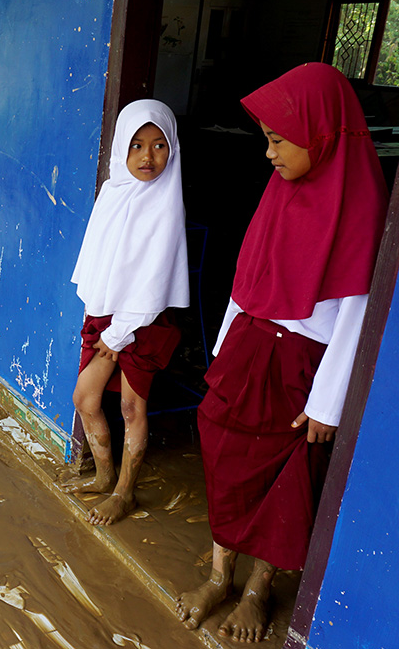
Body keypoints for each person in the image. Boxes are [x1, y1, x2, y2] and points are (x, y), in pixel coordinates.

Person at [175, 63, 388, 642]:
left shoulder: (362, 203)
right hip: (246, 348)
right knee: (222, 449)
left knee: (282, 473)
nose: (268, 153)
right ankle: (220, 574)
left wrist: (328, 403)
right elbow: (249, 280)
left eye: (277, 140)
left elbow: (354, 318)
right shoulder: (279, 189)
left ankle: (256, 589)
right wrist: (221, 353)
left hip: (301, 362)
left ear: (321, 132)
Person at [64, 99, 189, 525]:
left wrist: (117, 336)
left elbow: (153, 283)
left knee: (132, 409)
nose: (147, 157)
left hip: (142, 322)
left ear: (172, 148)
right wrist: (101, 321)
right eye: (136, 145)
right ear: (122, 148)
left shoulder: (166, 204)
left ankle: (124, 493)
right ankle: (104, 475)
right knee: (86, 397)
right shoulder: (114, 192)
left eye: (159, 145)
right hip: (106, 318)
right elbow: (99, 260)